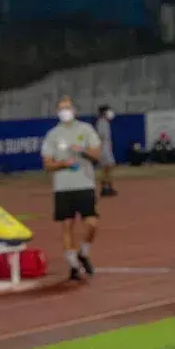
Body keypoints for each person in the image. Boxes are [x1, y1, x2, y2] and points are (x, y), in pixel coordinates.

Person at [41, 96, 102, 282]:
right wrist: (63, 164)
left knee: (92, 223)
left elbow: (96, 155)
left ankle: (84, 251)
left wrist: (81, 150)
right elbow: (47, 164)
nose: (65, 112)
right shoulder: (53, 134)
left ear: (74, 110)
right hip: (63, 187)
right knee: (67, 225)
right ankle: (73, 264)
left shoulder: (86, 129)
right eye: (61, 109)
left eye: (67, 108)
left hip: (85, 184)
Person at [95, 105, 118, 196]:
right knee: (106, 168)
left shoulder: (105, 122)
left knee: (109, 168)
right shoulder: (101, 122)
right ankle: (105, 188)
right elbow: (100, 136)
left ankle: (108, 187)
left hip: (106, 147)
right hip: (103, 149)